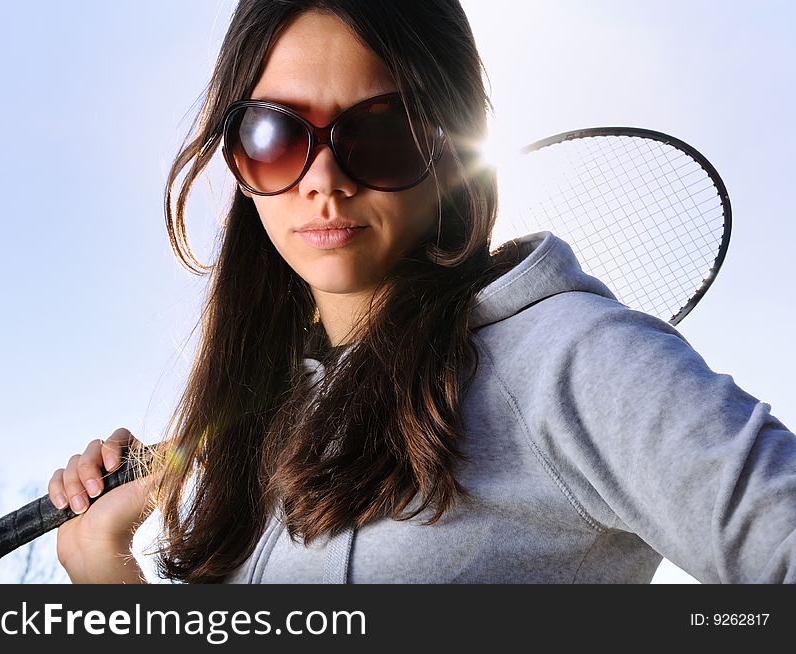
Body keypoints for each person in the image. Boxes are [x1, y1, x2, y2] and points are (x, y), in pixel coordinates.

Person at [47, 0, 796, 584]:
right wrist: (106, 570)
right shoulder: (262, 427)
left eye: (380, 131)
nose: (322, 182)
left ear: (448, 151)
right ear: (238, 160)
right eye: (276, 136)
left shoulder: (570, 361)